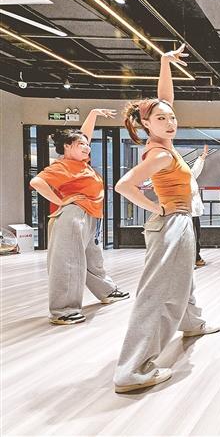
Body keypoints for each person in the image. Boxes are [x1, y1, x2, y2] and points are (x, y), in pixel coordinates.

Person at [113, 44, 219, 393]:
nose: (170, 122)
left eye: (171, 117)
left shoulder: (164, 143)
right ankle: (132, 370)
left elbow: (164, 99)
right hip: (171, 222)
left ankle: (192, 323)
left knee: (182, 278)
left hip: (179, 222)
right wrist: (155, 207)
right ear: (146, 124)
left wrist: (164, 63)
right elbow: (124, 185)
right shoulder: (159, 154)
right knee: (159, 292)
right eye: (161, 119)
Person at [29, 109, 129, 325]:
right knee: (69, 262)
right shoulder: (63, 165)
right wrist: (61, 200)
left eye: (87, 144)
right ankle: (63, 310)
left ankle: (107, 291)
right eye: (81, 144)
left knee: (93, 259)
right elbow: (36, 182)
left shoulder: (81, 163)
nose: (86, 147)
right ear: (67, 146)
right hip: (72, 217)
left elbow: (83, 136)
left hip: (89, 215)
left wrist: (93, 114)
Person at [190, 144, 208, 267]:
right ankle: (193, 258)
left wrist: (203, 155)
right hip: (186, 213)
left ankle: (196, 257)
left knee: (196, 236)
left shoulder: (189, 175)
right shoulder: (180, 179)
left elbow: (196, 168)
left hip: (194, 213)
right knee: (192, 237)